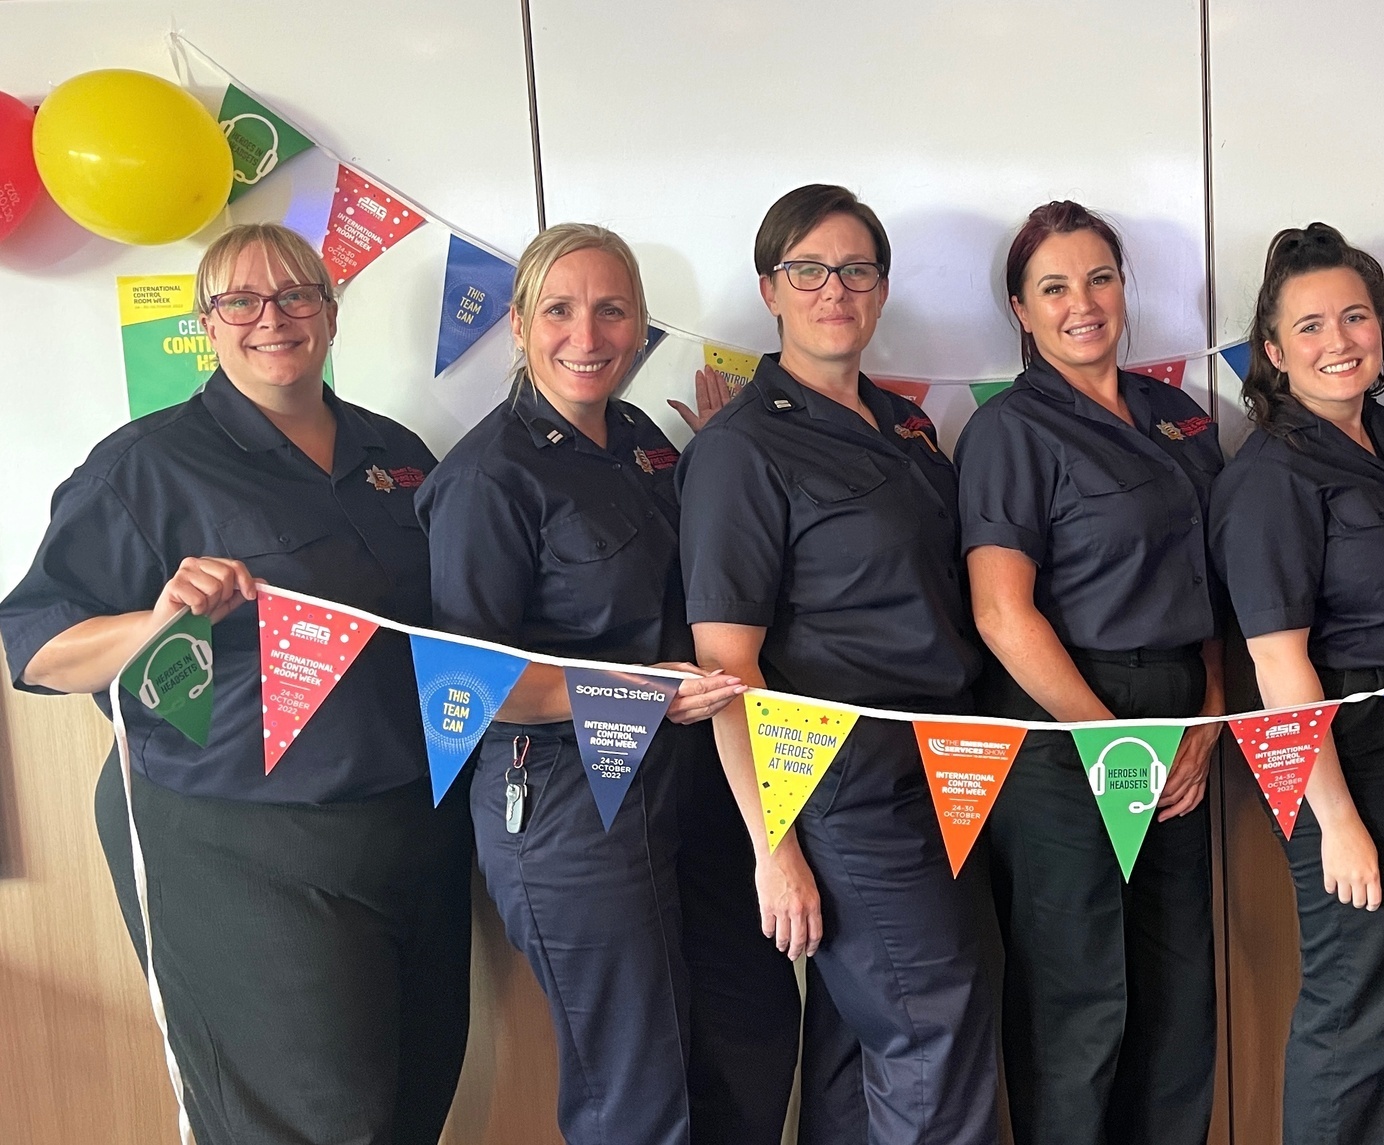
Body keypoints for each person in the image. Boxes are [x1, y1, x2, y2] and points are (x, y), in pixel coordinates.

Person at [0, 223, 471, 1145]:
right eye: (240, 301)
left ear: (331, 315)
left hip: (415, 825)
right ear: (205, 325)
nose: (272, 318)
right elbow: (35, 649)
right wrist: (157, 620)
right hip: (243, 845)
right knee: (319, 1122)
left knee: (416, 1101)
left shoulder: (398, 453)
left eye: (296, 295)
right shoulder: (147, 464)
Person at [416, 223, 796, 1145]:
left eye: (611, 310)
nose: (586, 335)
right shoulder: (488, 475)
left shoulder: (641, 438)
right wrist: (629, 693)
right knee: (637, 1088)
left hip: (691, 782)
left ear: (639, 328)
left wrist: (724, 448)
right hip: (565, 801)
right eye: (560, 309)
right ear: (518, 323)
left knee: (749, 1033)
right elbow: (469, 683)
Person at [678, 184, 999, 1145]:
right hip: (838, 774)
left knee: (865, 1045)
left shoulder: (903, 428)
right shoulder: (742, 448)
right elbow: (724, 666)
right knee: (932, 1020)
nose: (835, 290)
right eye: (809, 270)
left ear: (882, 287)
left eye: (856, 269)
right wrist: (774, 848)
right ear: (771, 288)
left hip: (942, 760)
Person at [954, 200, 1223, 1145]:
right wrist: (1109, 732)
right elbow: (1000, 612)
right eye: (1054, 288)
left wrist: (1205, 721)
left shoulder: (1177, 415)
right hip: (1062, 736)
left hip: (1181, 725)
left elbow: (1215, 589)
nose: (1083, 304)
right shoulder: (1011, 431)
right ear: (1021, 312)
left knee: (1177, 991)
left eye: (1100, 278)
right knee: (1081, 1003)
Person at [1208, 223, 1384, 1145]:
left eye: (1355, 316)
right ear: (1272, 352)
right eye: (1309, 327)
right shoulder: (1271, 476)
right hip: (1336, 743)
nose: (1339, 340)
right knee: (1354, 999)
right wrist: (1337, 820)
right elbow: (1280, 665)